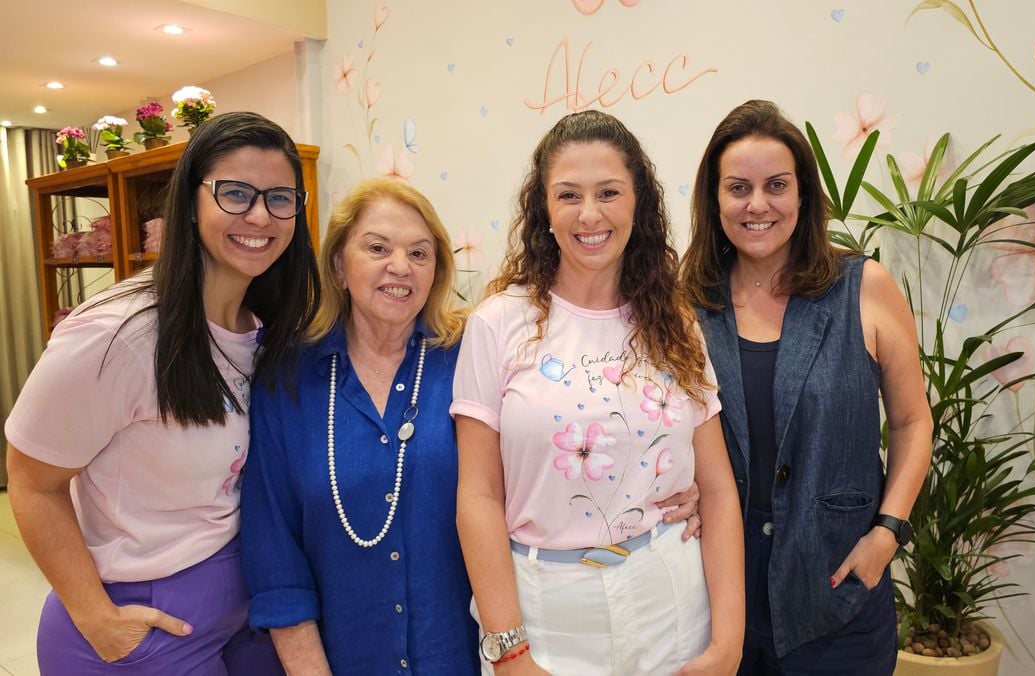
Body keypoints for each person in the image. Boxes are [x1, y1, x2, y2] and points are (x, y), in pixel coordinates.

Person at [4, 111, 316, 674]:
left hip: (242, 613)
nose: (260, 215)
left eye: (280, 198)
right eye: (235, 193)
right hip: (141, 627)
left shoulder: (266, 328)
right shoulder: (116, 336)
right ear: (191, 201)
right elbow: (31, 482)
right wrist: (97, 618)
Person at [453, 109, 745, 675]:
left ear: (640, 203)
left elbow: (717, 488)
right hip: (545, 613)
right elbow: (478, 499)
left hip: (671, 600)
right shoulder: (498, 324)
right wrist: (510, 653)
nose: (590, 214)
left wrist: (728, 644)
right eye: (568, 195)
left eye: (609, 192)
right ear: (543, 208)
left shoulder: (675, 324)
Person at [679, 98, 934, 675]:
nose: (758, 204)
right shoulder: (686, 305)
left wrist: (889, 533)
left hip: (839, 591)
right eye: (738, 188)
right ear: (714, 199)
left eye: (776, 185)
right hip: (720, 597)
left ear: (802, 195)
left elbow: (915, 422)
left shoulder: (863, 287)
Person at [239, 178, 480, 674]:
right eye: (377, 248)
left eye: (420, 252)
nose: (400, 266)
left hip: (462, 657)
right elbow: (275, 556)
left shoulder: (471, 359)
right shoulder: (287, 378)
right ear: (338, 265)